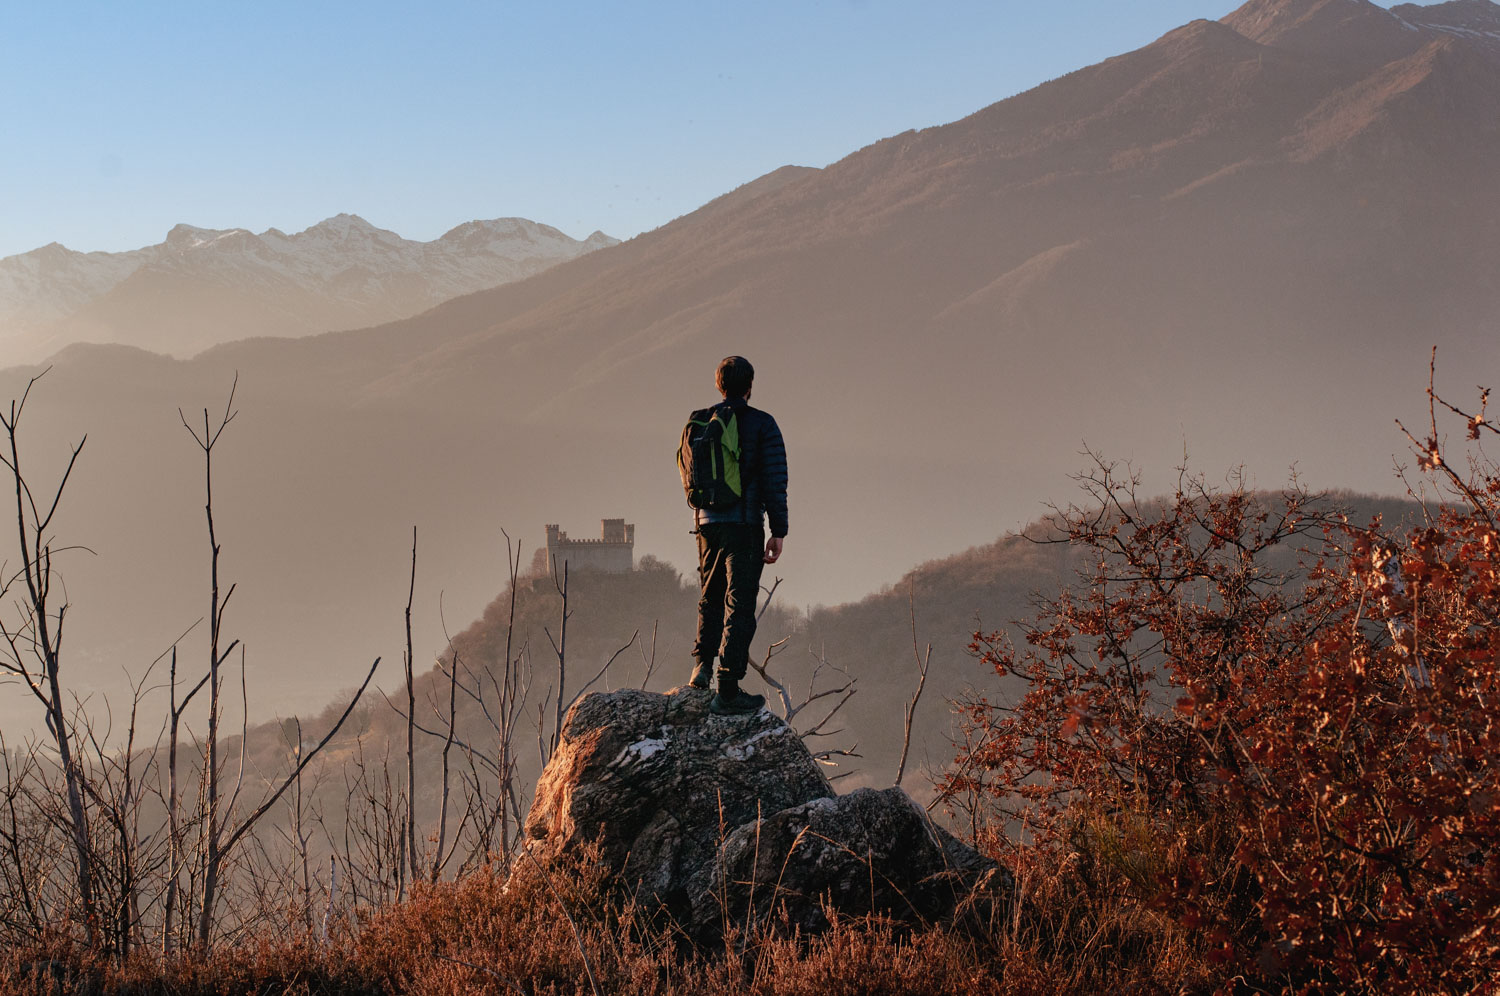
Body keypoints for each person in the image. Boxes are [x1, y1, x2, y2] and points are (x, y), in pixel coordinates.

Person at [688, 356, 788, 715]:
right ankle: (727, 691)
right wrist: (779, 531)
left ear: (719, 385)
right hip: (744, 525)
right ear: (749, 387)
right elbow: (775, 479)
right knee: (739, 604)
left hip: (706, 524)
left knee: (710, 597)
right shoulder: (762, 424)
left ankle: (701, 667)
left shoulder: (700, 421)